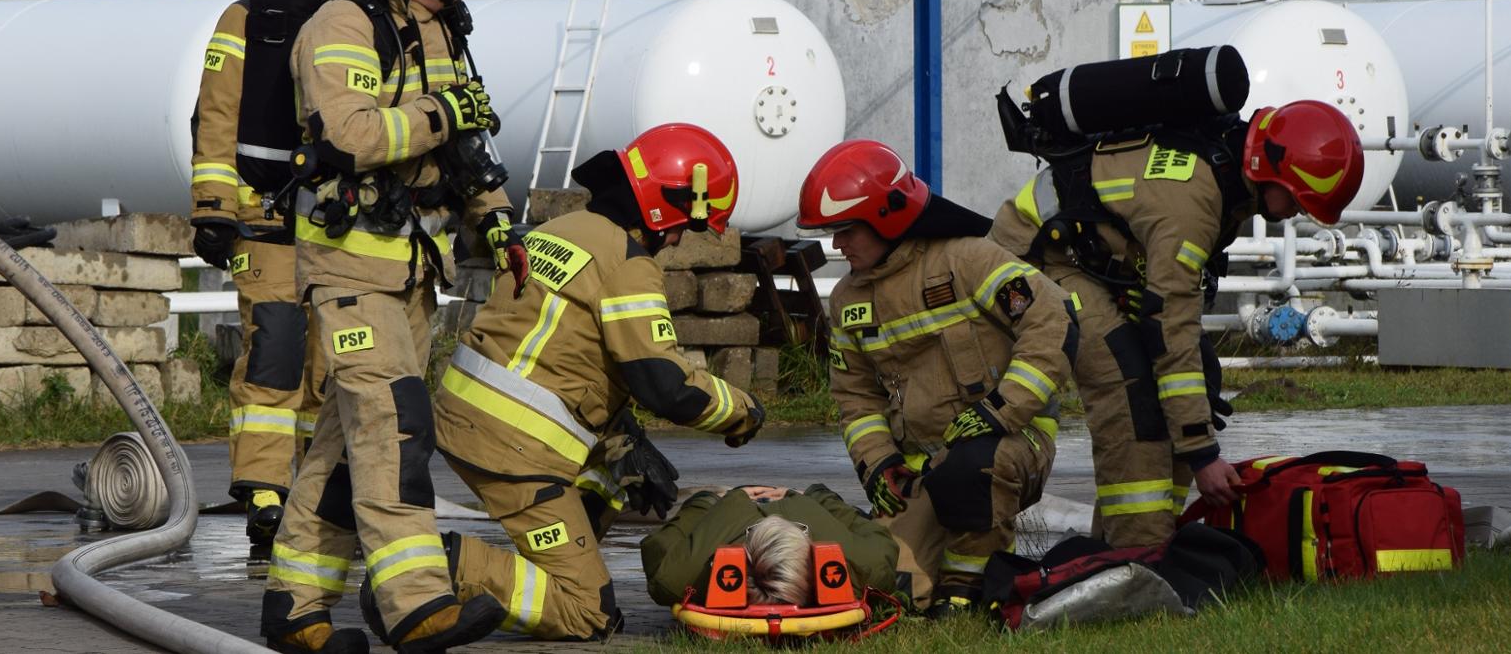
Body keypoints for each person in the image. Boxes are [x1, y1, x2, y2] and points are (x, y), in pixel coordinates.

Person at [258, 0, 526, 654]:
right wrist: (441, 114)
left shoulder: (438, 23)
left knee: (349, 446)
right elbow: (354, 134)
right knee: (396, 429)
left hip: (410, 269)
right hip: (349, 269)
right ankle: (416, 606)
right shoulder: (342, 23)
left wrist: (500, 224)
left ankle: (295, 610)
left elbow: (467, 144)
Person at [434, 123, 767, 641]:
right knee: (590, 612)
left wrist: (623, 433)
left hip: (468, 416)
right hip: (515, 447)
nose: (678, 240)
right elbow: (667, 386)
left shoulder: (563, 229)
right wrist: (743, 410)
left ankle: (567, 546)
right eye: (685, 225)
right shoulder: (628, 266)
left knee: (622, 471)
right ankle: (434, 572)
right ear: (663, 206)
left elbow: (567, 351)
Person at [989, 99, 1365, 548]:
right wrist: (1204, 456)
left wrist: (1195, 422)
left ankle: (1137, 541)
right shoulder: (1194, 201)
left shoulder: (1229, 174)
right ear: (1275, 172)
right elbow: (1170, 325)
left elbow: (1171, 312)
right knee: (1125, 385)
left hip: (1092, 256)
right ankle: (1137, 558)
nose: (1299, 212)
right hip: (1033, 257)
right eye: (1301, 200)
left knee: (1197, 380)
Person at [800, 140, 1075, 615]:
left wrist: (1000, 410)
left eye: (844, 231)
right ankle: (946, 581)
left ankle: (964, 594)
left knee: (973, 469)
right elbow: (855, 396)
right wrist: (880, 464)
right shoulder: (847, 299)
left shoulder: (966, 261)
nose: (836, 245)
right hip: (924, 471)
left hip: (1010, 446)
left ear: (886, 218)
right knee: (888, 587)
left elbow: (1053, 318)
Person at [189, 0, 358, 558]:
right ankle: (263, 489)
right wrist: (212, 211)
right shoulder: (243, 21)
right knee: (277, 351)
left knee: (333, 366)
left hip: (343, 228)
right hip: (266, 221)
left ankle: (319, 494)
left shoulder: (359, 18)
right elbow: (217, 116)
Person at [641, 485, 897, 609]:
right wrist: (819, 497)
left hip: (733, 512)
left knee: (706, 497)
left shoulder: (679, 577)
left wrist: (708, 502)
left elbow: (661, 542)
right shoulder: (865, 568)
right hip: (800, 504)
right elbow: (873, 533)